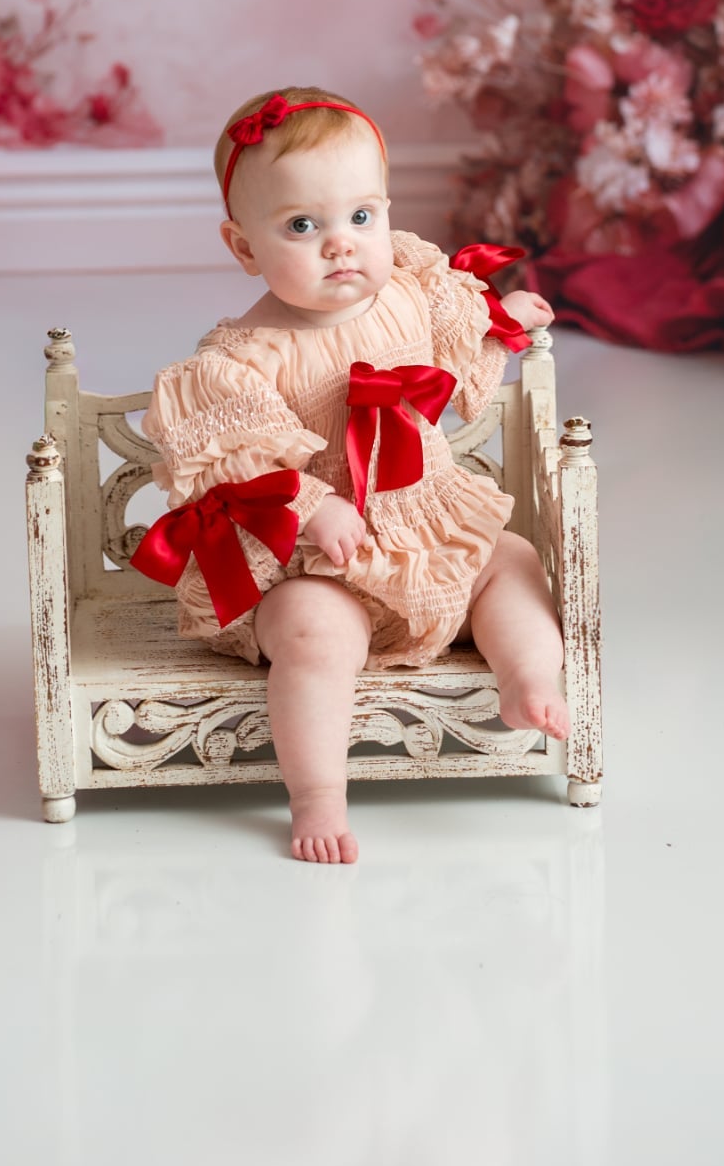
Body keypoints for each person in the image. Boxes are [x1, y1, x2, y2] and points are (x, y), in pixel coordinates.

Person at [139, 84, 565, 863]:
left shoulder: (407, 292)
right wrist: (310, 503)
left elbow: (458, 333)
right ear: (243, 248)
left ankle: (528, 678)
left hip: (426, 524)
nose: (342, 244)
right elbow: (240, 463)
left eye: (361, 217)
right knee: (314, 630)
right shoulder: (242, 357)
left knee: (511, 561)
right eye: (303, 225)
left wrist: (502, 320)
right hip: (313, 560)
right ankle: (317, 795)